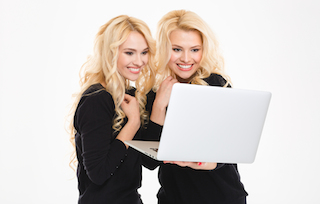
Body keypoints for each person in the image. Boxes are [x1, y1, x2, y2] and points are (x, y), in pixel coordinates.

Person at [143, 10, 248, 204]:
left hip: (221, 197)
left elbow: (229, 146)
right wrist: (159, 106)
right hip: (173, 199)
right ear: (165, 49)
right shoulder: (154, 94)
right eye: (177, 49)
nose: (186, 58)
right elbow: (149, 162)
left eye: (194, 49)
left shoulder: (216, 84)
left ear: (203, 50)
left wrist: (200, 163)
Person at [68, 15, 156, 204]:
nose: (139, 61)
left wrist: (160, 104)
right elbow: (99, 174)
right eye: (130, 53)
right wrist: (133, 123)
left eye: (144, 52)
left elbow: (151, 161)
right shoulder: (96, 100)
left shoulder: (131, 96)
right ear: (111, 53)